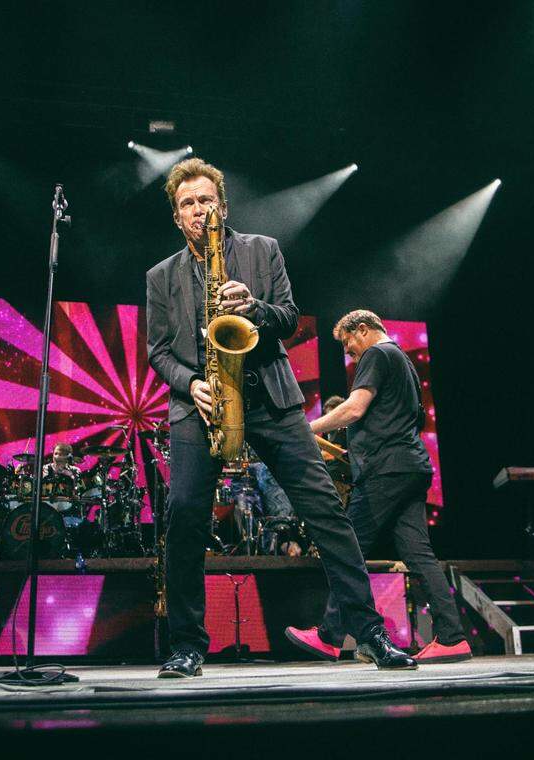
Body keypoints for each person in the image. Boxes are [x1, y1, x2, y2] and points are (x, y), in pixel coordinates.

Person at [146, 158, 415, 677]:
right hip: (202, 404)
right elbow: (158, 350)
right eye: (187, 204)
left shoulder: (262, 251)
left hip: (270, 397)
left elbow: (289, 317)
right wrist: (191, 383)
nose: (199, 210)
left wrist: (254, 309)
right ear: (177, 217)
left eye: (206, 200)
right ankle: (186, 645)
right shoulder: (161, 276)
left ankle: (371, 632)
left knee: (326, 512)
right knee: (184, 516)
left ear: (222, 206)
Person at [288, 310, 471, 664]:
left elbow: (355, 409)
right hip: (411, 467)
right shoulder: (403, 362)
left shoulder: (377, 353)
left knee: (347, 547)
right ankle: (452, 637)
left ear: (363, 329)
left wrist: (308, 429)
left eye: (348, 344)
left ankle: (329, 635)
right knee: (419, 555)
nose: (349, 353)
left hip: (385, 471)